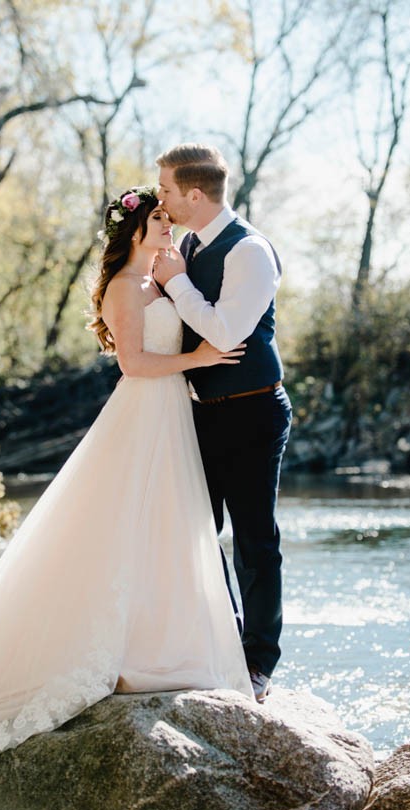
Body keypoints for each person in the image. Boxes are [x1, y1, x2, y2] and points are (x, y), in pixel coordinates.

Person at [0, 187, 252, 778]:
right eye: (158, 219)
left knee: (164, 526)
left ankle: (157, 645)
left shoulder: (158, 283)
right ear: (133, 231)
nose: (168, 226)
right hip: (142, 410)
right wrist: (198, 360)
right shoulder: (124, 288)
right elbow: (133, 363)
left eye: (168, 217)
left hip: (170, 415)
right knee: (121, 523)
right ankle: (109, 650)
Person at [153, 144, 292, 703]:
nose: (159, 198)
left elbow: (225, 332)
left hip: (253, 410)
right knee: (194, 532)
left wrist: (177, 283)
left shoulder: (250, 251)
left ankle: (257, 663)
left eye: (164, 189)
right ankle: (216, 646)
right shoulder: (184, 244)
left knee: (254, 539)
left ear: (193, 193)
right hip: (200, 411)